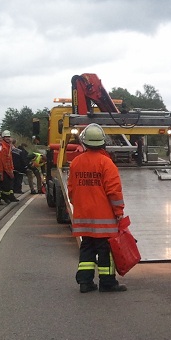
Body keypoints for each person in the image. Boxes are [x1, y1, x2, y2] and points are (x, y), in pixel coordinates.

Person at [68, 123, 127, 293]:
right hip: (104, 218)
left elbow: (71, 190)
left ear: (84, 142)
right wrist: (118, 212)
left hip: (83, 216)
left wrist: (79, 206)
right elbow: (114, 191)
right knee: (105, 250)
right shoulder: (106, 163)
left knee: (86, 248)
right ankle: (107, 282)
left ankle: (85, 282)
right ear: (103, 142)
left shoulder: (76, 162)